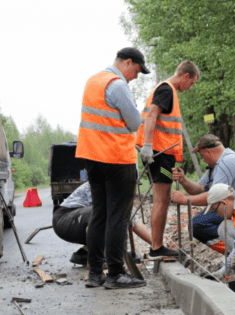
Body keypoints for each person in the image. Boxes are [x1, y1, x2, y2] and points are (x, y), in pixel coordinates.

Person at [75, 47, 149, 289]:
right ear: (128, 62)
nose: (136, 77)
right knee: (118, 217)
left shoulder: (93, 81)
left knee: (100, 215)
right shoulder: (117, 85)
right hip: (116, 159)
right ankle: (116, 274)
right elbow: (135, 122)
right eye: (137, 71)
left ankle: (96, 273)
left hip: (92, 158)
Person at [136, 61, 199, 260]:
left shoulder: (166, 90)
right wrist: (147, 145)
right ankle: (157, 248)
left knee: (162, 200)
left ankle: (157, 246)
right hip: (160, 153)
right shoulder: (167, 89)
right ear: (186, 76)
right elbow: (152, 115)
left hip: (160, 152)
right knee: (162, 200)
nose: (190, 88)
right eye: (192, 83)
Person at [171, 134, 235, 259]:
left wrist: (184, 200)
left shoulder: (227, 162)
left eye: (202, 156)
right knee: (199, 221)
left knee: (198, 224)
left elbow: (215, 195)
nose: (203, 160)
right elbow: (199, 189)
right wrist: (183, 180)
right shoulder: (217, 164)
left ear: (208, 151)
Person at [52, 182, 152, 266]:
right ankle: (97, 260)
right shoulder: (99, 184)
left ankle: (84, 254)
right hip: (64, 220)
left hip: (79, 222)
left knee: (119, 214)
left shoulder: (118, 196)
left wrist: (155, 245)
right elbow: (99, 215)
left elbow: (135, 222)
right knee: (107, 213)